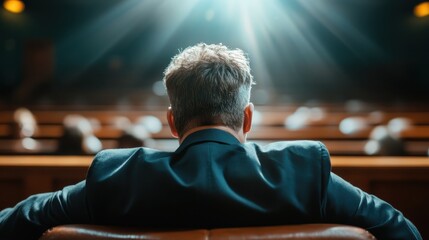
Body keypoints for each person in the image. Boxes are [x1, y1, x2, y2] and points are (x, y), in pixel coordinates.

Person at [0, 43, 422, 240]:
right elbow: (400, 231)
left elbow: (21, 220)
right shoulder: (304, 172)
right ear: (249, 117)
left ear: (171, 121)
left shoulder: (117, 174)